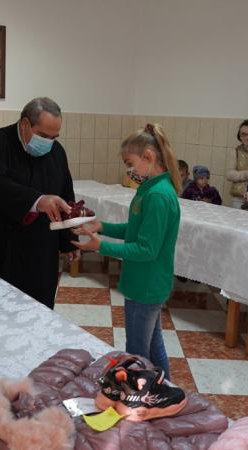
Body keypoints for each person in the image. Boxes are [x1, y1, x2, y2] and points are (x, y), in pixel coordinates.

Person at [72, 123, 181, 380]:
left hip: (146, 285)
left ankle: (144, 396)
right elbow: (134, 231)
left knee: (137, 352)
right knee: (153, 345)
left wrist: (100, 246)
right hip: (144, 283)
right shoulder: (150, 190)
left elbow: (146, 249)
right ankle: (166, 391)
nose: (129, 171)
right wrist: (102, 226)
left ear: (148, 156)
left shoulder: (158, 196)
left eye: (130, 164)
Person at [0, 97, 80, 309]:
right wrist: (38, 200)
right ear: (25, 124)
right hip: (0, 246)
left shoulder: (56, 152)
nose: (49, 142)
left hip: (41, 249)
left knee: (40, 309)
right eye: (43, 136)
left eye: (54, 137)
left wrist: (69, 239)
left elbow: (65, 194)